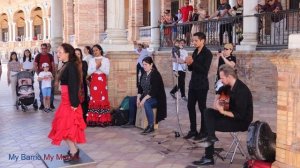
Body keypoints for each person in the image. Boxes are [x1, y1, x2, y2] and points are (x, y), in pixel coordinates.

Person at [193, 64, 253, 166]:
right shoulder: (227, 87)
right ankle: (211, 137)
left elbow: (240, 115)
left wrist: (223, 112)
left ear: (229, 77)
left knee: (209, 124)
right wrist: (218, 97)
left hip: (241, 122)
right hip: (229, 115)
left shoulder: (242, 90)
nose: (221, 80)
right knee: (208, 112)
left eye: (222, 78)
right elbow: (220, 104)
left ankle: (208, 156)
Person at [48, 43, 86, 162]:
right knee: (66, 127)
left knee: (65, 128)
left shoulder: (71, 66)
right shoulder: (66, 65)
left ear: (67, 53)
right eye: (57, 52)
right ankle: (73, 150)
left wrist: (74, 104)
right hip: (66, 100)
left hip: (69, 102)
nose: (58, 54)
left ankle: (74, 151)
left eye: (60, 52)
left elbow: (74, 86)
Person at [122, 57, 167, 135]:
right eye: (143, 65)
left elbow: (154, 91)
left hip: (157, 98)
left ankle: (151, 126)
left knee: (147, 103)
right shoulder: (143, 73)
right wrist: (138, 98)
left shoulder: (155, 74)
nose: (144, 66)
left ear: (151, 64)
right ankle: (131, 121)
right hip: (146, 96)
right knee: (132, 99)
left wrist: (143, 100)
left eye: (146, 64)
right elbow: (140, 88)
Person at [184, 32, 213, 140]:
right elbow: (192, 69)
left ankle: (203, 131)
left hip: (202, 85)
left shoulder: (208, 53)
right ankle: (193, 130)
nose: (194, 42)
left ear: (202, 41)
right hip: (193, 84)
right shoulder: (195, 51)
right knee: (190, 106)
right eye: (193, 40)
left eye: (196, 40)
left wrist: (193, 63)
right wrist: (189, 64)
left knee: (202, 108)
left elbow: (204, 70)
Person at [86, 44, 111, 127]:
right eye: (93, 51)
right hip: (94, 81)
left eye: (96, 50)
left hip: (102, 81)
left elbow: (107, 72)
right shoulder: (91, 60)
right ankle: (94, 119)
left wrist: (100, 67)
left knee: (102, 99)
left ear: (100, 50)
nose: (95, 52)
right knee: (94, 99)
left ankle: (103, 120)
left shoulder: (106, 60)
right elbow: (89, 72)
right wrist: (96, 67)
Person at [34, 43, 56, 110]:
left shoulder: (50, 56)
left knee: (51, 90)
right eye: (42, 48)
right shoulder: (38, 56)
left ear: (47, 49)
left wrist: (52, 74)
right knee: (41, 90)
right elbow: (35, 65)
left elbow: (53, 65)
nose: (43, 50)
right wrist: (38, 73)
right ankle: (42, 104)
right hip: (42, 76)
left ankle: (51, 104)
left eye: (45, 48)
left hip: (49, 76)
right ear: (41, 49)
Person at [75, 48, 89, 123]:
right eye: (75, 54)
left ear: (81, 55)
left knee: (83, 101)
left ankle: (83, 118)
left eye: (78, 54)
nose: (77, 55)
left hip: (82, 85)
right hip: (74, 86)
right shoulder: (71, 64)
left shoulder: (84, 63)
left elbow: (85, 74)